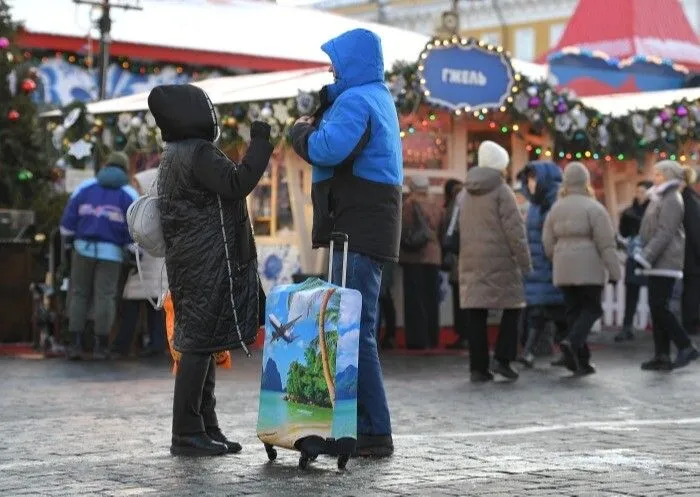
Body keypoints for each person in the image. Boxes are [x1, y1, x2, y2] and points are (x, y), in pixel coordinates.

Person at [288, 28, 401, 457]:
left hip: (357, 226)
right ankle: (361, 426)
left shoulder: (356, 100)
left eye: (335, 60)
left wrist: (299, 133)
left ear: (351, 61)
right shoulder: (376, 96)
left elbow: (329, 149)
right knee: (354, 328)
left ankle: (373, 430)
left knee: (354, 331)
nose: (330, 68)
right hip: (366, 224)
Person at [148, 84, 273, 456]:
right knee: (198, 345)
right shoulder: (198, 152)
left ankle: (206, 426)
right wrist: (261, 143)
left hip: (191, 261)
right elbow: (238, 183)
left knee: (203, 343)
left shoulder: (174, 153)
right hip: (206, 262)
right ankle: (187, 433)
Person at [458, 141, 532, 382]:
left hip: (471, 259)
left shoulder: (465, 192)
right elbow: (515, 231)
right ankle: (503, 358)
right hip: (501, 260)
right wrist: (525, 263)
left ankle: (477, 368)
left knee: (476, 312)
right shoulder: (502, 191)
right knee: (514, 306)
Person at [60, 152, 139, 360]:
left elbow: (69, 218)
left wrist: (68, 241)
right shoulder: (128, 193)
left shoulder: (85, 187)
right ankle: (101, 346)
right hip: (111, 254)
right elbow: (136, 227)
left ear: (105, 165)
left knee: (79, 294)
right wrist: (133, 252)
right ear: (124, 169)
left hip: (82, 248)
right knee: (105, 296)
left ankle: (76, 344)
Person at [543, 162, 620, 375]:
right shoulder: (594, 208)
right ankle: (572, 342)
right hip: (589, 267)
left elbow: (547, 242)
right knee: (592, 308)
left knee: (574, 312)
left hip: (564, 266)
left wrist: (558, 258)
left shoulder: (556, 208)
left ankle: (581, 360)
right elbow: (606, 243)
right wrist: (614, 271)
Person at [634, 160, 699, 371]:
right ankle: (661, 354)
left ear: (670, 176)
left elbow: (665, 232)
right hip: (657, 260)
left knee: (660, 306)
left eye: (659, 174)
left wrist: (647, 255)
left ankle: (686, 345)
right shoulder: (659, 197)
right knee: (656, 306)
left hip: (666, 260)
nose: (655, 177)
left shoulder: (672, 198)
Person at [112, 167, 168, 358]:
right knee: (154, 309)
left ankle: (123, 345)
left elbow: (140, 234)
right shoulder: (162, 206)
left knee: (133, 308)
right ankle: (156, 343)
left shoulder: (146, 208)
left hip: (144, 267)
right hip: (154, 269)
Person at [516, 161, 567, 368]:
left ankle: (532, 352)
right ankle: (569, 352)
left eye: (534, 179)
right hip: (538, 266)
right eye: (528, 179)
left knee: (547, 312)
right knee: (544, 312)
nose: (530, 184)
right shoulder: (537, 204)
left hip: (550, 266)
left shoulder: (552, 202)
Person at [399, 176, 444, 350]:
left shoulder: (409, 204)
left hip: (414, 257)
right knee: (431, 299)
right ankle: (433, 337)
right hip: (434, 256)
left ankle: (418, 339)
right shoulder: (436, 204)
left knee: (415, 300)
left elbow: (403, 230)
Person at [615, 180, 653, 342]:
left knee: (656, 294)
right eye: (637, 191)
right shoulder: (629, 212)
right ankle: (627, 326)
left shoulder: (655, 211)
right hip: (633, 256)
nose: (639, 195)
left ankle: (657, 326)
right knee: (631, 292)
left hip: (652, 256)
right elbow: (622, 232)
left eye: (643, 192)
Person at [441, 179, 468, 350]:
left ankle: (463, 334)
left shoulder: (453, 208)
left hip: (459, 261)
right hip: (466, 260)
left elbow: (448, 235)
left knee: (460, 302)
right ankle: (466, 335)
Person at [680, 166, 700, 337]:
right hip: (691, 257)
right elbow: (695, 231)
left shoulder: (686, 199)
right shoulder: (691, 199)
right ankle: (690, 326)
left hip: (687, 255)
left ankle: (689, 325)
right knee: (692, 292)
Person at [378, 262, 397, 349]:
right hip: (387, 261)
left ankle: (388, 336)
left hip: (381, 266)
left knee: (381, 302)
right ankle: (390, 336)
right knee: (385, 301)